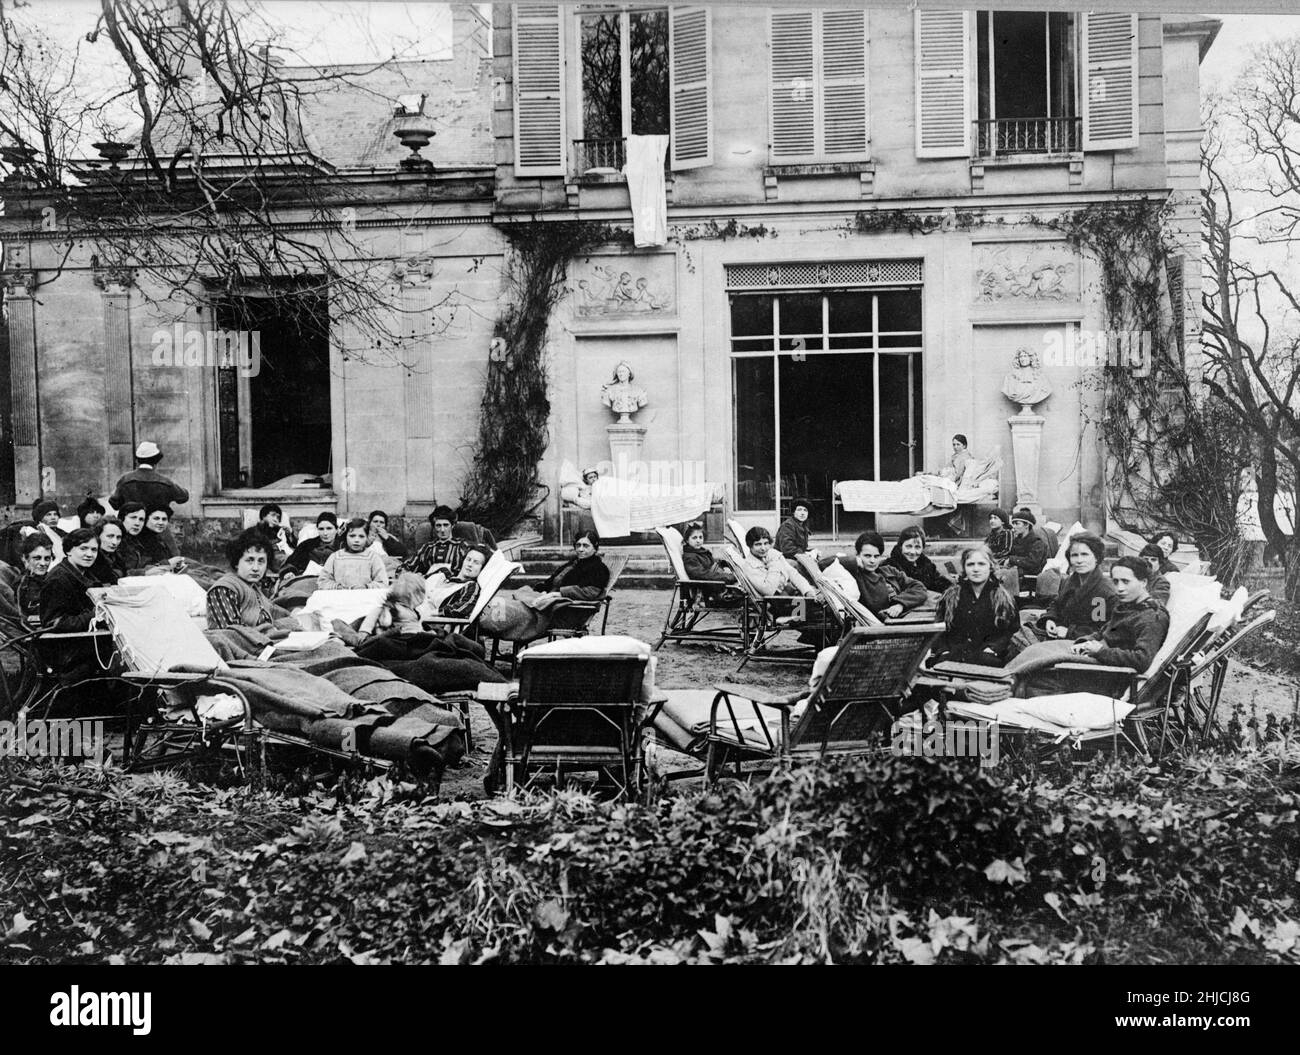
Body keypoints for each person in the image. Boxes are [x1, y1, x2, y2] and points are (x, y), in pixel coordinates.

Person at [1010, 557, 1170, 699]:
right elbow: (1103, 631)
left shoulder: (1151, 616)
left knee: (1037, 679)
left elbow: (1141, 660)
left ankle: (1033, 727)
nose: (1119, 588)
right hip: (1095, 663)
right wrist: (1085, 641)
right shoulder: (1127, 606)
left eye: (1126, 581)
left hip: (1109, 678)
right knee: (1035, 655)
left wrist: (1099, 651)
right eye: (1115, 581)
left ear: (1143, 582)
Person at [930, 546, 1019, 666]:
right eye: (970, 564)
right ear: (964, 568)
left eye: (981, 564)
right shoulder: (951, 596)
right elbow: (939, 630)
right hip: (953, 658)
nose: (976, 569)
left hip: (989, 660)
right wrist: (944, 651)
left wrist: (994, 649)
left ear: (990, 566)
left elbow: (1011, 631)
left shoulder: (1003, 598)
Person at [1033, 533, 1117, 640]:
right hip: (1059, 637)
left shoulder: (1104, 591)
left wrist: (1070, 632)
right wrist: (1050, 619)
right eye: (1074, 555)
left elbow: (1102, 629)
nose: (1079, 560)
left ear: (1096, 557)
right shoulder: (1069, 581)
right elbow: (1056, 604)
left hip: (1085, 645)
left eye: (1085, 554)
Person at [206, 530, 293, 631]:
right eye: (249, 560)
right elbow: (232, 634)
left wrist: (295, 615)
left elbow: (274, 611)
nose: (256, 568)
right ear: (236, 563)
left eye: (261, 561)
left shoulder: (254, 589)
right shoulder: (223, 589)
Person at [836, 530, 927, 618]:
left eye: (876, 556)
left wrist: (900, 604)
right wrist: (854, 561)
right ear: (858, 555)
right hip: (881, 624)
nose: (872, 561)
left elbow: (919, 587)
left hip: (902, 617)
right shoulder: (856, 575)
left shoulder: (888, 571)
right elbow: (823, 564)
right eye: (867, 556)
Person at [39, 528, 100, 634]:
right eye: (83, 548)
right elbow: (54, 623)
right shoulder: (58, 579)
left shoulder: (84, 572)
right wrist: (96, 615)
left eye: (94, 550)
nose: (90, 554)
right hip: (67, 644)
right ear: (68, 551)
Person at [109, 440, 189, 513]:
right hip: (158, 525)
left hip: (132, 525)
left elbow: (114, 503)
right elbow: (183, 497)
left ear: (137, 461)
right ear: (156, 462)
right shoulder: (165, 482)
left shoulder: (125, 480)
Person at [742, 526, 816, 600]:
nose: (763, 548)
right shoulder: (749, 565)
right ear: (750, 546)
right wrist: (773, 563)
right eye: (758, 544)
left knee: (818, 601)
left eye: (766, 543)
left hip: (789, 594)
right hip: (774, 602)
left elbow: (793, 574)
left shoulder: (772, 554)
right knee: (808, 608)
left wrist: (807, 591)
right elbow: (769, 590)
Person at [535, 530, 610, 600]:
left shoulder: (598, 568)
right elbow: (554, 579)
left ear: (594, 548)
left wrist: (556, 594)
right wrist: (545, 589)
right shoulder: (574, 562)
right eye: (578, 545)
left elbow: (590, 592)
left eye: (585, 546)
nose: (580, 549)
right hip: (549, 596)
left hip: (568, 605)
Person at [319, 518, 390, 590]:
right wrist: (338, 587)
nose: (356, 540)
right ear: (345, 537)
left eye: (361, 536)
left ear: (367, 537)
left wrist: (366, 587)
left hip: (365, 598)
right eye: (352, 536)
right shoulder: (335, 557)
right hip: (340, 597)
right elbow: (323, 582)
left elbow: (382, 583)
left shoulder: (373, 557)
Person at [425, 545, 489, 619]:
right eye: (468, 559)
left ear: (482, 569)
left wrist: (431, 613)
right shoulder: (442, 572)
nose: (470, 564)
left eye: (476, 563)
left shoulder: (470, 586)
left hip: (427, 622)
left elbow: (462, 608)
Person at [403, 505, 470, 578]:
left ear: (452, 525)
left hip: (454, 584)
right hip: (430, 584)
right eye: (438, 525)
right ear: (434, 527)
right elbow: (408, 566)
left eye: (446, 525)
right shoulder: (428, 547)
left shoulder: (462, 546)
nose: (442, 530)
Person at [886, 526, 954, 594]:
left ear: (922, 548)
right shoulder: (890, 567)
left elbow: (939, 583)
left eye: (917, 547)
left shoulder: (927, 566)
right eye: (908, 546)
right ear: (901, 546)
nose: (912, 552)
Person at [681, 521, 737, 601]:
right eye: (694, 538)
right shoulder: (690, 557)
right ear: (687, 540)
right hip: (707, 589)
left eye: (700, 537)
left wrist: (725, 565)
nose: (698, 540)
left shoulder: (701, 552)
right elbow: (699, 575)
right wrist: (725, 577)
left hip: (713, 582)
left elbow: (712, 564)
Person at [16, 534, 54, 631]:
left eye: (47, 558)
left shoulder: (52, 578)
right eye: (37, 558)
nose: (43, 564)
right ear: (25, 558)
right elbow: (22, 619)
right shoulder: (22, 584)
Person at [1004, 509, 1049, 578]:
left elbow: (1032, 562)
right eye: (1013, 524)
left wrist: (1012, 559)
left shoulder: (1037, 542)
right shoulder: (1016, 540)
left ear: (1027, 525)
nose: (1014, 527)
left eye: (1017, 524)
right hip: (1017, 573)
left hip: (1031, 578)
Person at [89, 517, 127, 586]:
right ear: (97, 536)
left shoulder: (117, 557)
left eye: (118, 537)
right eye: (110, 536)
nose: (115, 542)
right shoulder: (90, 559)